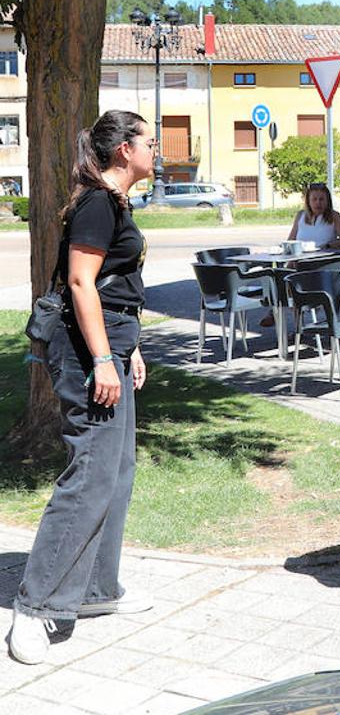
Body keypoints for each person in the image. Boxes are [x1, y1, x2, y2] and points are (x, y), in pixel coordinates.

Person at [8, 111, 156, 665]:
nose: (155, 151)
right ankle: (37, 603)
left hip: (113, 343)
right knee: (89, 473)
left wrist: (129, 348)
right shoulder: (97, 201)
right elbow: (79, 282)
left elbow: (118, 288)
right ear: (123, 150)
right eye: (149, 142)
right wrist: (101, 359)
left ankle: (95, 590)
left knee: (115, 472)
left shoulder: (115, 203)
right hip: (86, 351)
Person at [287, 182, 340, 250]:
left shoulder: (334, 216)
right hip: (301, 258)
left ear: (327, 201)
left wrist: (328, 246)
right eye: (314, 199)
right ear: (308, 201)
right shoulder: (300, 215)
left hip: (324, 258)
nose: (318, 203)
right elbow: (290, 241)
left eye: (321, 199)